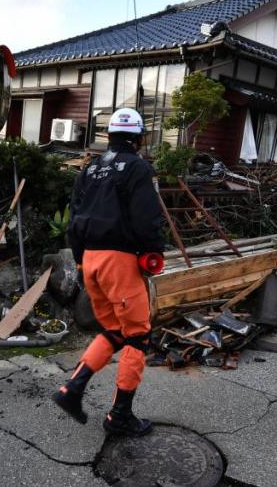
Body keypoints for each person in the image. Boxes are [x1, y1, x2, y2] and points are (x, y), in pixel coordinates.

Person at [52, 108, 165, 438]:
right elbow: (146, 218)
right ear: (139, 137)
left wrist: (81, 259)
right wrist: (153, 251)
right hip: (120, 262)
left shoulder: (90, 169)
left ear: (110, 135)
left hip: (90, 261)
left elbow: (74, 219)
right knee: (138, 336)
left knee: (114, 331)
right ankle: (120, 416)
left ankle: (71, 389)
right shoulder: (139, 168)